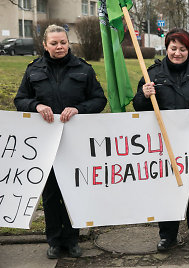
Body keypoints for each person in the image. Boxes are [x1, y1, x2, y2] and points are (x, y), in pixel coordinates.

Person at [14, 24, 107, 259]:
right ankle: (54, 241)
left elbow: (99, 99)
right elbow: (20, 100)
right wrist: (36, 106)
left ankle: (73, 239)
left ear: (69, 43)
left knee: (74, 191)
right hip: (46, 144)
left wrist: (78, 109)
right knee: (52, 194)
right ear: (45, 45)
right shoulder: (33, 70)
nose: (59, 47)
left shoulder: (83, 69)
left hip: (76, 142)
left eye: (63, 42)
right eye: (54, 43)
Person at [133, 28, 189, 252]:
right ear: (167, 48)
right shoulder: (152, 74)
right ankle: (167, 236)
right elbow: (138, 106)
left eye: (182, 49)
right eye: (173, 48)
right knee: (167, 190)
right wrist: (144, 95)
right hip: (164, 144)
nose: (177, 53)